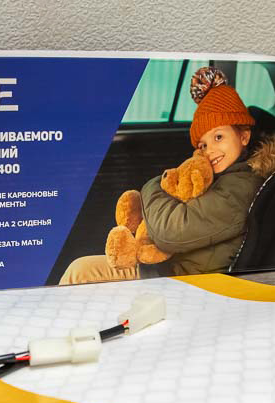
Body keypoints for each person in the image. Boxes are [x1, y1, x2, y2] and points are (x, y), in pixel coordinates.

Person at [59, 66, 264, 284]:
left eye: (219, 137)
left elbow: (169, 233)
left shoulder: (240, 187)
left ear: (244, 136)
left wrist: (153, 186)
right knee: (80, 267)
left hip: (182, 279)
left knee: (80, 272)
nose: (210, 150)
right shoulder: (220, 177)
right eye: (203, 145)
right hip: (168, 268)